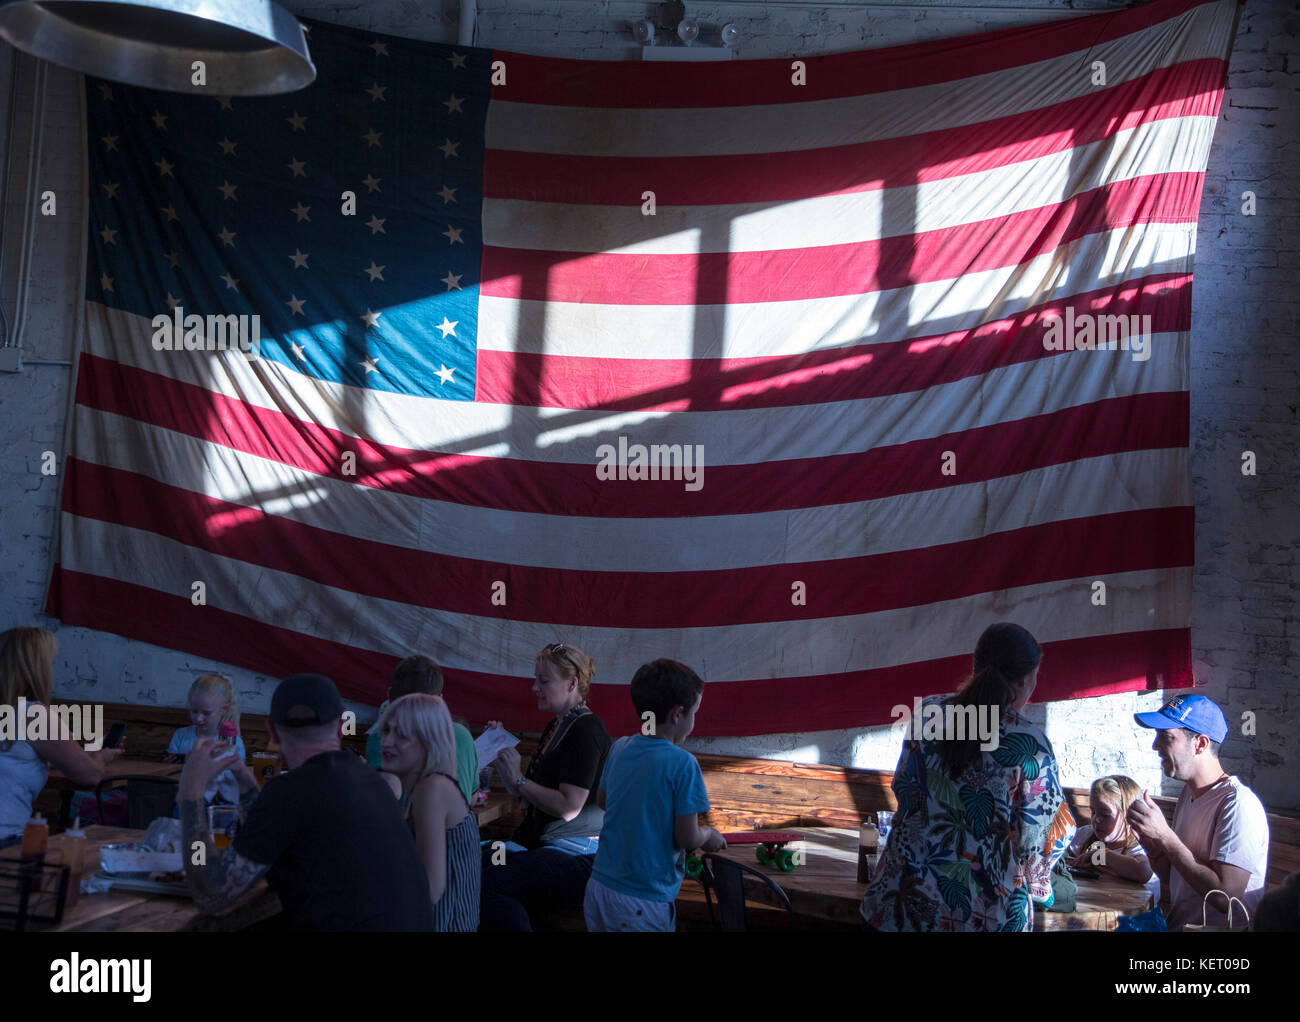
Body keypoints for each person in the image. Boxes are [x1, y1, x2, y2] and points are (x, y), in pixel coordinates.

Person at [179, 673, 433, 930]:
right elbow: (274, 829)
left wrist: (191, 793)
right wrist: (244, 779)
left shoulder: (291, 792)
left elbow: (211, 894)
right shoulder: (370, 780)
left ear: (273, 733)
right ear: (341, 726)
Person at [860, 622, 1067, 931]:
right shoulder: (1030, 743)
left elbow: (904, 788)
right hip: (980, 917)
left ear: (975, 664)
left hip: (898, 906)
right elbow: (1036, 842)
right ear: (1025, 680)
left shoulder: (928, 713)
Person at [584, 659, 725, 931]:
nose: (694, 721)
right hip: (642, 901)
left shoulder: (620, 748)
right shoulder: (683, 764)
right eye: (694, 712)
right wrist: (708, 836)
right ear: (677, 714)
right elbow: (687, 838)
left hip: (599, 888)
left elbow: (603, 801)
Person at [479, 642, 611, 932]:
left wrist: (518, 780)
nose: (534, 687)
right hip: (541, 844)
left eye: (544, 680)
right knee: (471, 862)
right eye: (535, 678)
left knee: (490, 885)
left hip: (576, 854)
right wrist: (500, 755)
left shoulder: (586, 731)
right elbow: (528, 795)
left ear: (572, 684)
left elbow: (569, 807)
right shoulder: (558, 726)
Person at [1127, 694, 1269, 930]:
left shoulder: (1238, 804)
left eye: (1166, 736)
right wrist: (1156, 851)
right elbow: (1179, 880)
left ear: (1200, 744)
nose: (1155, 746)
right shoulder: (1188, 794)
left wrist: (1165, 837)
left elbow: (1226, 899)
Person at [0, 627, 123, 847]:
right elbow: (89, 775)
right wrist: (102, 757)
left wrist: (88, 753)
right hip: (6, 840)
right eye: (51, 663)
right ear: (36, 669)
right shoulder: (33, 715)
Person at [377, 693, 480, 931]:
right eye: (386, 731)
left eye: (401, 735)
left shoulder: (431, 789)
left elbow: (428, 891)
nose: (387, 742)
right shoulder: (421, 788)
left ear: (429, 742)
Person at [366, 655, 478, 806]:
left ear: (390, 697)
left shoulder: (381, 738)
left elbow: (379, 804)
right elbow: (472, 797)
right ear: (439, 701)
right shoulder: (462, 734)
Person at [1068, 774, 1159, 903]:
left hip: (1131, 916)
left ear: (1129, 815)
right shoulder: (1086, 835)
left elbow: (1143, 871)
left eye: (1105, 815)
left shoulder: (1139, 845)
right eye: (1093, 812)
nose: (1096, 820)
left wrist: (1103, 855)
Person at [165, 673, 245, 804]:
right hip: (181, 796)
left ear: (224, 709)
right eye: (194, 711)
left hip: (217, 800)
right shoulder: (180, 735)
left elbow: (233, 780)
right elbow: (170, 774)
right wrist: (168, 764)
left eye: (206, 713)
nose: (198, 718)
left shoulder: (233, 742)